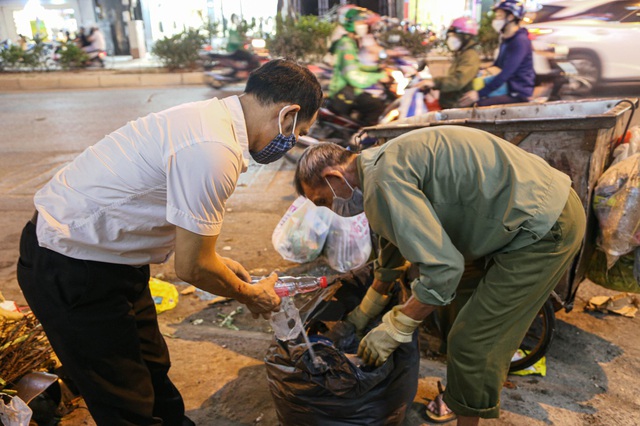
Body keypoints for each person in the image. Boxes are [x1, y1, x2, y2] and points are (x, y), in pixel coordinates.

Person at [17, 59, 322, 426]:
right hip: (70, 264)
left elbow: (198, 252)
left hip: (112, 261)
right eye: (299, 130)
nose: (291, 141)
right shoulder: (214, 149)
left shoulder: (211, 118)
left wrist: (225, 270)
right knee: (124, 398)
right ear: (288, 114)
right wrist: (248, 293)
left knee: (152, 368)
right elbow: (192, 267)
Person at [294, 125, 585, 425]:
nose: (331, 209)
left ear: (334, 178)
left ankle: (466, 414)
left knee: (471, 341)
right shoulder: (376, 163)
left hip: (543, 228)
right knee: (454, 307)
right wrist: (363, 312)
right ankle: (461, 390)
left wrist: (396, 327)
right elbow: (394, 242)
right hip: (520, 211)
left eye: (323, 201)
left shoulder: (383, 180)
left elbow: (445, 269)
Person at [459, 0, 535, 107]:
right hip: (505, 89)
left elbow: (506, 73)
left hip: (517, 93)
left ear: (511, 17)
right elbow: (498, 65)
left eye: (499, 16)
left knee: (478, 105)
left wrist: (479, 94)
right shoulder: (506, 39)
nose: (496, 20)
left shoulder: (519, 41)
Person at [328, 6, 388, 126]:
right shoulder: (346, 44)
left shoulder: (351, 42)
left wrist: (377, 69)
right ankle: (364, 138)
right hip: (344, 91)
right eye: (360, 22)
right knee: (376, 106)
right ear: (351, 24)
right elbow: (353, 76)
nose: (364, 26)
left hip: (349, 88)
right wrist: (379, 76)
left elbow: (357, 66)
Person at [430, 17, 481, 109]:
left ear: (465, 37)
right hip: (450, 104)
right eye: (450, 36)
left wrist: (434, 82)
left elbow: (457, 81)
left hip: (458, 107)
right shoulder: (462, 54)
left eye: (454, 36)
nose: (451, 39)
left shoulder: (470, 56)